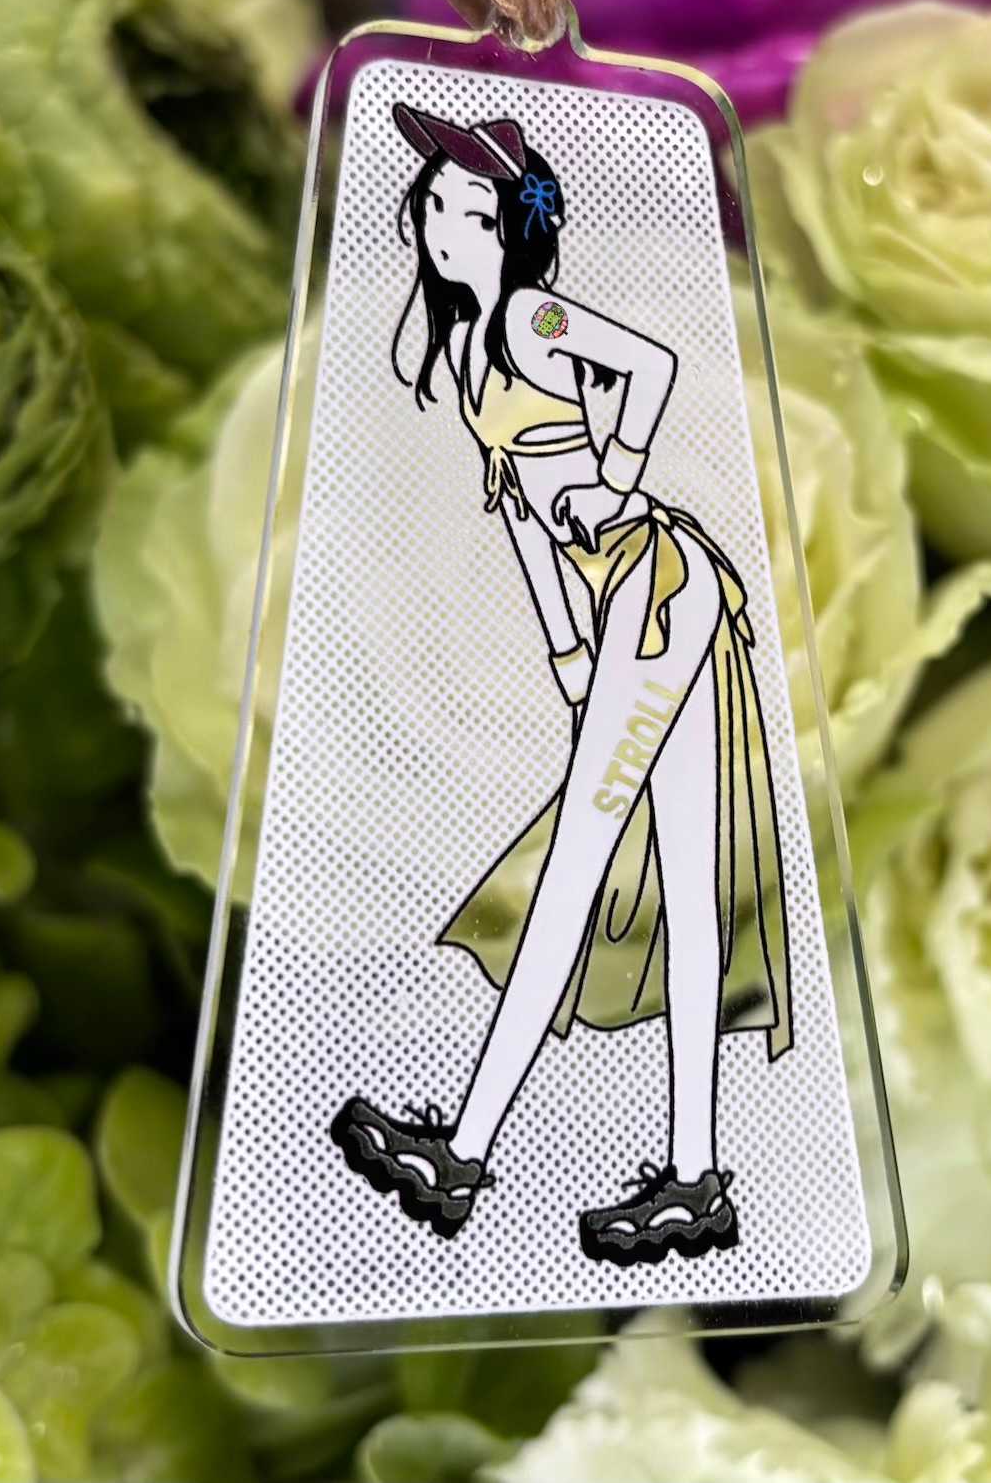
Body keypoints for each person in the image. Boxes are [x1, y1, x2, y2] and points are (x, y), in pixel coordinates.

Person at [330, 103, 792, 1268]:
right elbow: (524, 526)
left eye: (470, 212)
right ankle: (694, 1180)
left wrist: (616, 480)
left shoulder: (532, 318)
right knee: (685, 887)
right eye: (434, 206)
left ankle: (465, 1155)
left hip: (658, 585)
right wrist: (568, 657)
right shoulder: (470, 352)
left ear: (517, 230)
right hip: (624, 613)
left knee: (576, 870)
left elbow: (651, 365)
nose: (443, 227)